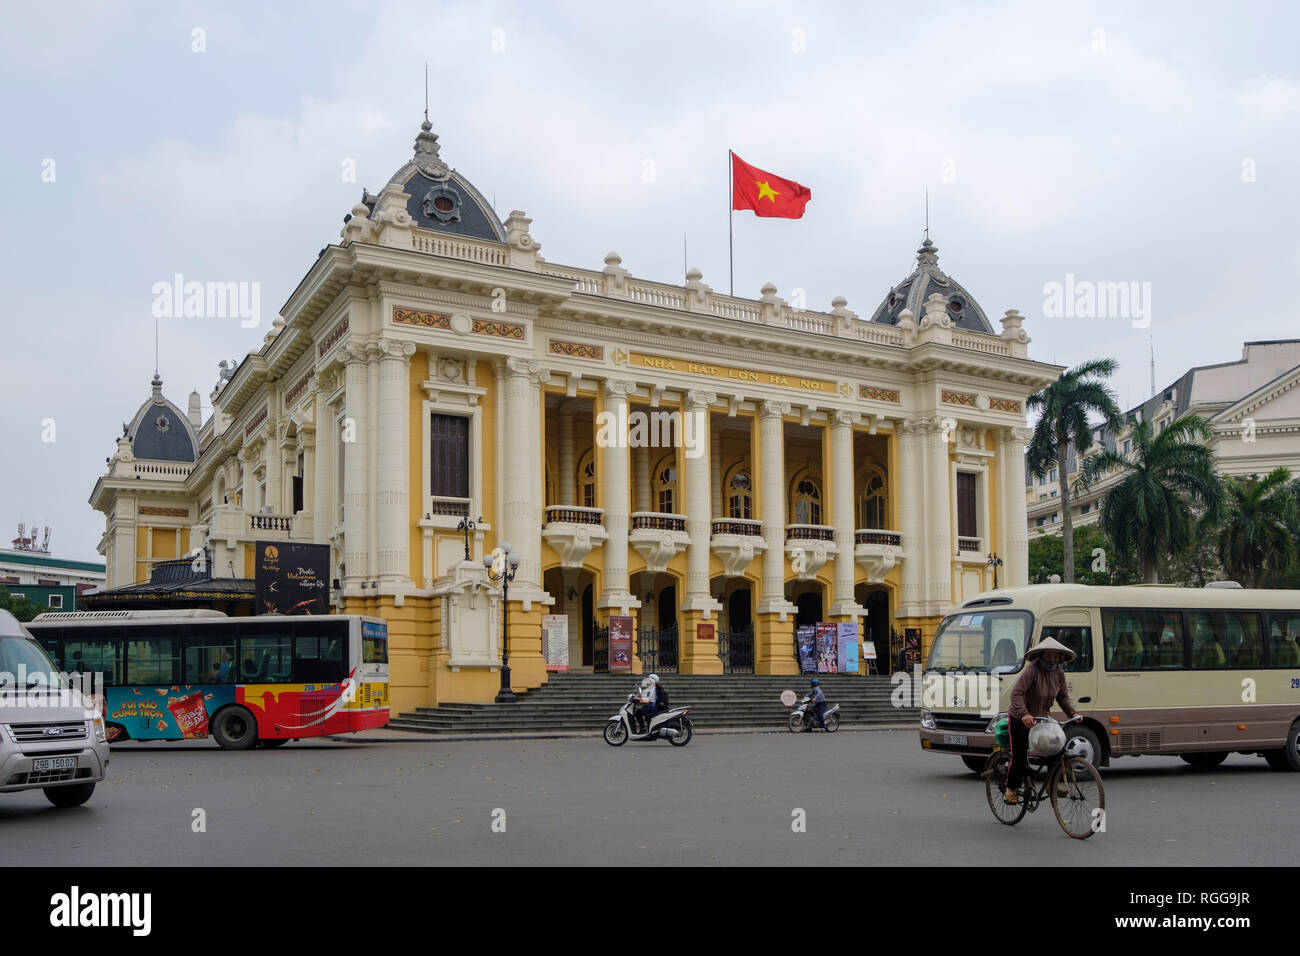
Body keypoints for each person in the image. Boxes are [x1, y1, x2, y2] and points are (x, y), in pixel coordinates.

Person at [1004, 637, 1080, 805]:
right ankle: (1011, 789)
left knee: (1057, 748)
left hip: (1041, 718)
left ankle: (1050, 785)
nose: (1052, 659)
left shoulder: (1059, 673)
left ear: (1060, 658)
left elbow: (1063, 697)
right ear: (1041, 655)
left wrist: (1072, 714)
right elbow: (1016, 693)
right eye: (1049, 655)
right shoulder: (1032, 671)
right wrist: (1024, 714)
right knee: (1019, 755)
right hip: (1020, 718)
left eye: (1055, 656)